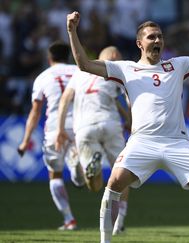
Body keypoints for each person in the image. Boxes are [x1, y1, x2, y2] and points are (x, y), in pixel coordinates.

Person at [66, 5, 189, 243]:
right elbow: (84, 65)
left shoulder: (177, 65)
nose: (158, 40)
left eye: (160, 36)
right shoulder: (126, 68)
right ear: (140, 43)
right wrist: (72, 31)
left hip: (176, 143)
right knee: (114, 184)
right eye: (152, 37)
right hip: (141, 142)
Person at [55, 46, 132, 234]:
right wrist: (132, 120)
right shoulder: (115, 71)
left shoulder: (81, 72)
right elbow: (129, 97)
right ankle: (119, 223)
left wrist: (60, 129)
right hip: (110, 124)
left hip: (84, 128)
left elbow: (65, 98)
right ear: (114, 57)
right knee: (123, 174)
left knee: (94, 186)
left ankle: (91, 170)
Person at [17, 41, 85, 230]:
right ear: (69, 57)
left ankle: (69, 219)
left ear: (49, 59)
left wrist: (25, 141)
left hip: (56, 128)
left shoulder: (43, 77)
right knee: (78, 175)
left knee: (54, 175)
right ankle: (77, 169)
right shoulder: (80, 71)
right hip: (80, 125)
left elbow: (35, 112)